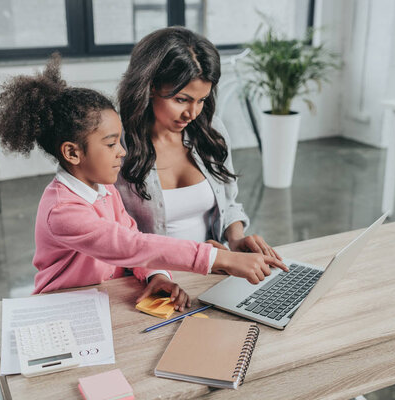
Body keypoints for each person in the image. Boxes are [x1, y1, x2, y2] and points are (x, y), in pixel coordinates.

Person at [0, 54, 286, 311]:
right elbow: (131, 245)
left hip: (109, 300)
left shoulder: (104, 189)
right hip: (64, 309)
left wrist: (156, 275)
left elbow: (131, 235)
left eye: (120, 140)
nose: (122, 151)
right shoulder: (62, 211)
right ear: (72, 152)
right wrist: (218, 258)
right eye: (111, 144)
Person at [117, 27, 281, 263]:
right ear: (150, 86)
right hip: (151, 282)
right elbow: (113, 235)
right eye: (181, 100)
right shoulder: (117, 143)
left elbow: (229, 201)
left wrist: (235, 238)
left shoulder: (210, 129)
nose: (192, 113)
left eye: (201, 100)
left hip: (212, 271)